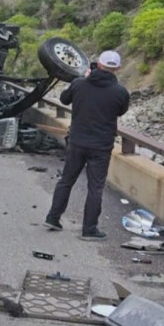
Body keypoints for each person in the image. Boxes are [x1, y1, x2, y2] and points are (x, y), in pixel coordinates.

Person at [43, 50, 131, 240]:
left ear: (98, 64)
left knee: (66, 180)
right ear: (117, 69)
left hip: (77, 141)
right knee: (95, 187)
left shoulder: (80, 84)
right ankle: (89, 229)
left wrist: (82, 80)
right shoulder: (120, 91)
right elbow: (121, 110)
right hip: (101, 145)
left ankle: (53, 217)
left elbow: (64, 99)